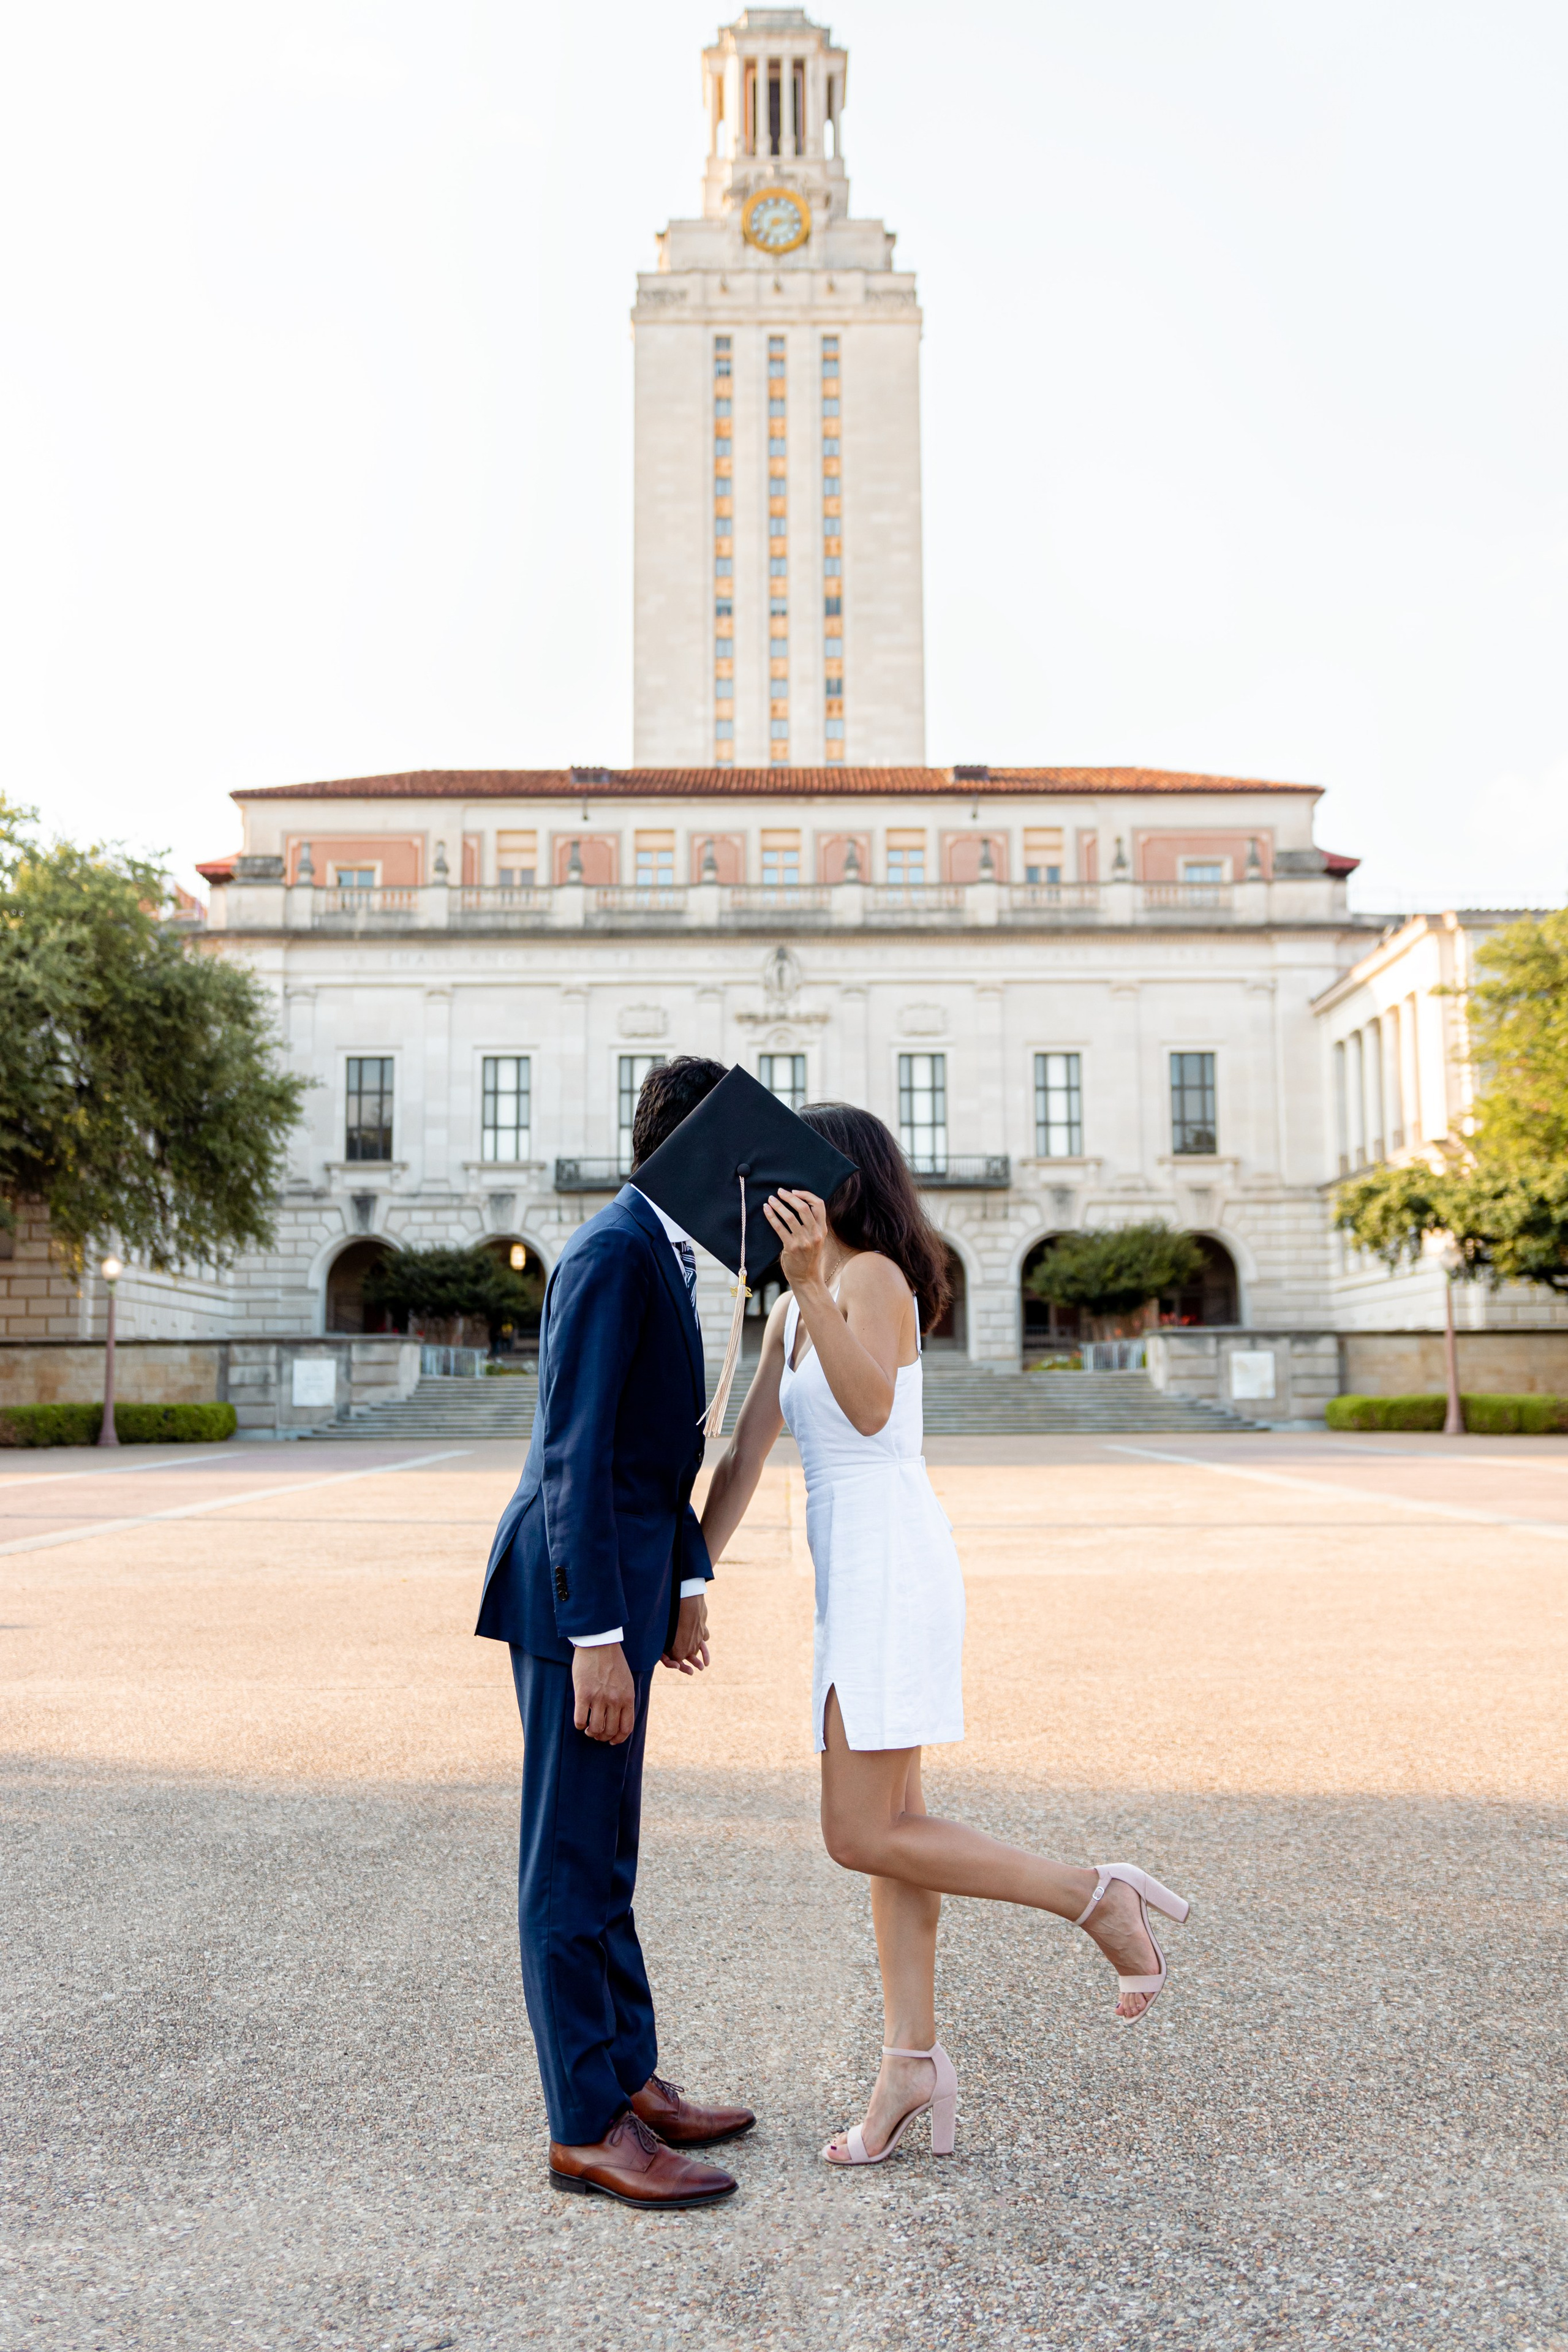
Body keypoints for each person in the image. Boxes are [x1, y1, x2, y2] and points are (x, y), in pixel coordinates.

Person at [699, 1103, 1189, 2168]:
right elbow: (743, 1462)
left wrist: (807, 1286)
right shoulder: (790, 1313)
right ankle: (909, 2065)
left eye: (799, 1172)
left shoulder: (870, 1280)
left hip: (893, 1562)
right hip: (855, 1575)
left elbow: (872, 1411)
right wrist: (691, 1576)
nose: (779, 1190)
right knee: (897, 1824)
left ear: (844, 1182)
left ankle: (1094, 1896)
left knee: (857, 1832)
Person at [476, 1056, 755, 2210]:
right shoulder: (607, 1254)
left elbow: (658, 1457)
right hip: (571, 1602)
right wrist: (597, 1632)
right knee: (570, 1859)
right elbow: (573, 1457)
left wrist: (685, 1581)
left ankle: (628, 2075)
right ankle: (584, 2125)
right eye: (735, 1160)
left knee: (613, 1852)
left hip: (631, 1586)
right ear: (687, 1154)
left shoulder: (664, 1253)